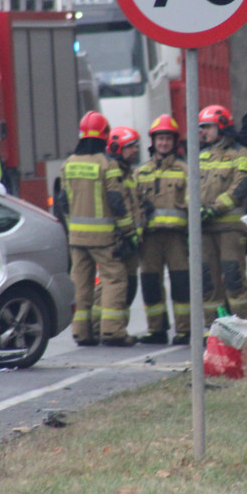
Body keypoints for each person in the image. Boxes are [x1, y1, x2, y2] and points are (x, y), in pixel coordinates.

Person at [58, 111, 137, 347]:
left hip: (77, 238)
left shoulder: (68, 164)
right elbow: (117, 203)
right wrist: (129, 232)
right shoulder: (107, 164)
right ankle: (112, 331)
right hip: (104, 238)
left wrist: (73, 227)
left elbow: (63, 201)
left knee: (81, 284)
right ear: (104, 136)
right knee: (115, 279)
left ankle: (82, 332)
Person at [135, 115, 190, 344]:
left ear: (174, 142)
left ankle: (185, 330)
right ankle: (156, 330)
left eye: (167, 139)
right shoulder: (141, 173)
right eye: (160, 139)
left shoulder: (185, 170)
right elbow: (134, 203)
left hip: (176, 237)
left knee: (180, 283)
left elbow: (190, 201)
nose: (163, 143)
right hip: (149, 238)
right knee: (150, 284)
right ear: (153, 142)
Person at [198, 104, 247, 324]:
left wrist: (215, 208)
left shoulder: (241, 153)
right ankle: (213, 328)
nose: (203, 132)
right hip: (204, 228)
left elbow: (241, 186)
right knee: (208, 280)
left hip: (230, 227)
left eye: (208, 127)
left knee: (233, 278)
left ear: (221, 126)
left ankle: (241, 328)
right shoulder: (201, 155)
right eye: (202, 128)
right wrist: (194, 209)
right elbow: (190, 186)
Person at [94, 125, 143, 340]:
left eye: (135, 146)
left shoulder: (127, 172)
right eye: (130, 147)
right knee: (115, 285)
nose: (135, 151)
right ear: (116, 148)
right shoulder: (113, 170)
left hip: (129, 238)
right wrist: (128, 230)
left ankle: (110, 326)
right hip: (119, 238)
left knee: (126, 285)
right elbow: (117, 204)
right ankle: (108, 329)